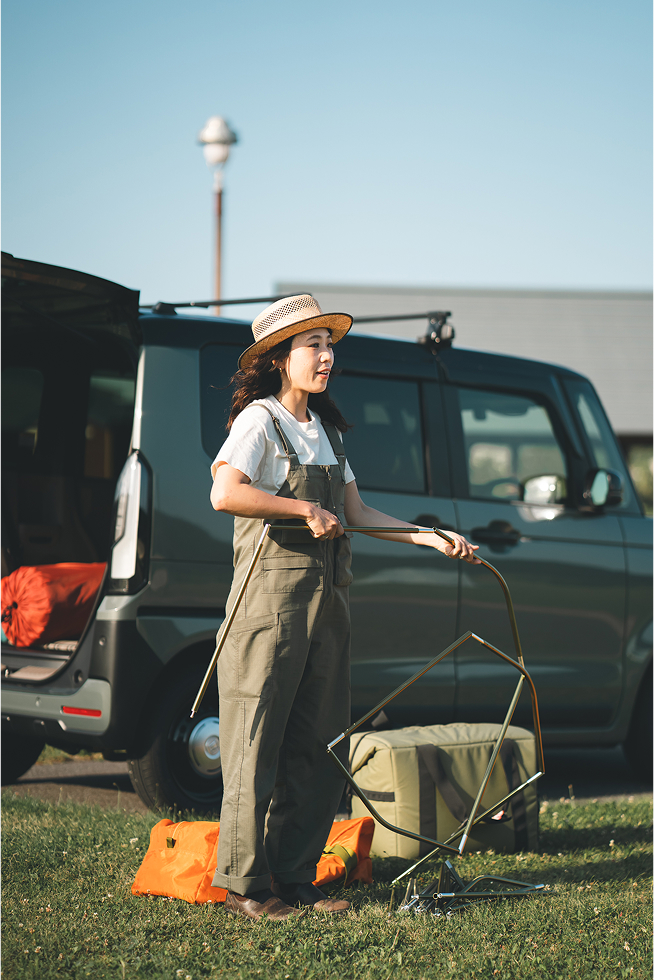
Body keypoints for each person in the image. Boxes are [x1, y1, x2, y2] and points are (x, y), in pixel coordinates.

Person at [209, 294, 480, 922]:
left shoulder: (327, 432)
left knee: (319, 744)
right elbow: (225, 492)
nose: (327, 356)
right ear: (280, 358)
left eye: (330, 345)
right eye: (313, 345)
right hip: (269, 607)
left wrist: (428, 536)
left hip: (329, 603)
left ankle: (294, 877)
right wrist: (301, 507)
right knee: (255, 744)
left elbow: (356, 512)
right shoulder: (259, 421)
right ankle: (246, 887)